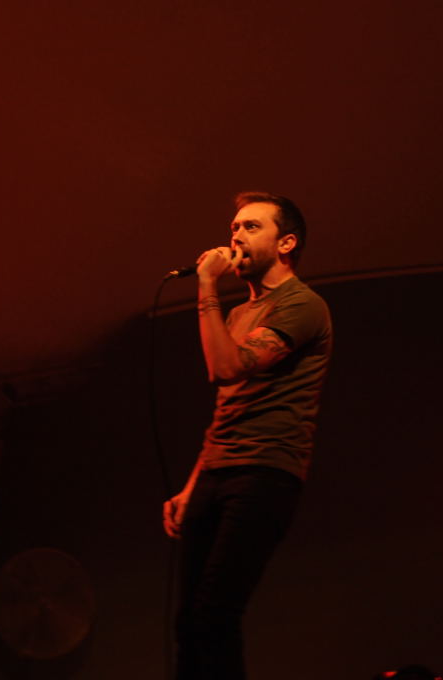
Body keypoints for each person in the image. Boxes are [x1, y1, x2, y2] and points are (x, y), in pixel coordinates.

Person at [162, 191, 333, 679]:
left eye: (251, 227)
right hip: (216, 473)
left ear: (286, 243)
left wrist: (206, 285)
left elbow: (226, 368)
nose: (236, 236)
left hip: (265, 474)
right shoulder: (238, 316)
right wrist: (192, 487)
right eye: (234, 227)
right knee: (187, 622)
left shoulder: (303, 305)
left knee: (215, 615)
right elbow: (226, 407)